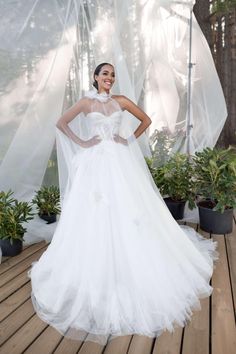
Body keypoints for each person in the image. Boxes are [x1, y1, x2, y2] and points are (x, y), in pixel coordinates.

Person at [28, 62, 217, 345]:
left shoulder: (121, 101)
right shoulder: (85, 102)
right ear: (95, 77)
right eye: (105, 74)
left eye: (113, 75)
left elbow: (146, 121)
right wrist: (82, 141)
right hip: (94, 164)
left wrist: (126, 138)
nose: (110, 78)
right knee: (93, 215)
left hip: (119, 161)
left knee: (130, 212)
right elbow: (61, 123)